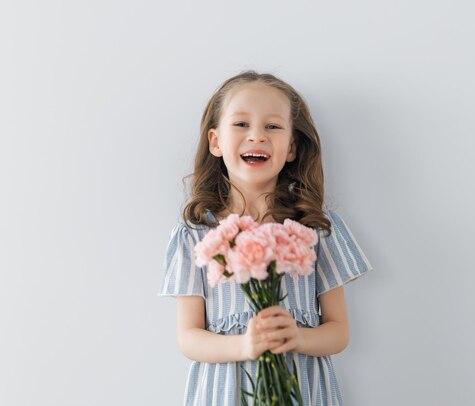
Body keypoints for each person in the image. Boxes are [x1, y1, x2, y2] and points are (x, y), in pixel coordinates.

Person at [157, 70, 374, 406]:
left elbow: (338, 331)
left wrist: (297, 337)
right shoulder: (194, 233)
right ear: (215, 141)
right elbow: (189, 338)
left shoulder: (316, 227)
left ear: (291, 148)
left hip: (303, 390)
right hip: (224, 393)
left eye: (272, 126)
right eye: (241, 124)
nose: (257, 136)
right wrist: (244, 346)